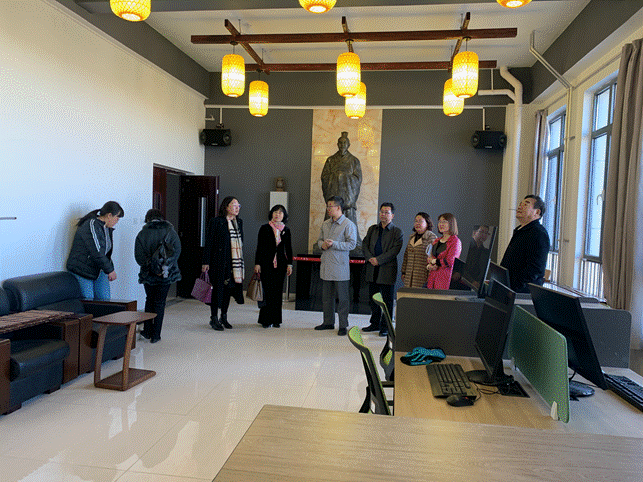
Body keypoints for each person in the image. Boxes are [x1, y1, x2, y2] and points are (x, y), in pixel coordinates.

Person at [134, 209, 181, 343]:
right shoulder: (170, 232)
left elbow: (139, 257)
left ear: (147, 219)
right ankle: (156, 335)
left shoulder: (142, 234)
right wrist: (164, 266)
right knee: (160, 303)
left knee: (149, 300)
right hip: (166, 273)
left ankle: (147, 331)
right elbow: (177, 252)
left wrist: (151, 266)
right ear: (161, 218)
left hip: (148, 274)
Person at [314, 196, 357, 336]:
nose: (328, 209)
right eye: (327, 206)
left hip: (340, 268)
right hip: (326, 266)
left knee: (343, 299)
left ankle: (343, 325)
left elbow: (352, 244)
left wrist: (335, 244)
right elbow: (319, 240)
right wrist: (322, 245)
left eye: (330, 206)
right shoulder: (325, 224)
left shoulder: (348, 224)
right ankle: (328, 322)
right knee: (327, 297)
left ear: (338, 208)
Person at [66, 201, 124, 300]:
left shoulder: (106, 228)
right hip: (83, 269)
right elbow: (97, 251)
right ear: (109, 215)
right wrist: (110, 270)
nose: (117, 221)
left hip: (98, 269)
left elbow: (106, 253)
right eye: (117, 218)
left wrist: (109, 268)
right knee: (89, 300)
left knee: (105, 300)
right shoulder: (91, 224)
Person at [202, 196, 245, 331]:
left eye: (238, 205)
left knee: (228, 290)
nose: (237, 208)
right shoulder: (216, 222)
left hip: (234, 263)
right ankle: (214, 318)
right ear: (226, 207)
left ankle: (224, 316)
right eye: (234, 205)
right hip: (218, 262)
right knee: (216, 290)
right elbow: (209, 242)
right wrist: (205, 261)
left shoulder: (239, 222)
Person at [362, 202, 403, 336]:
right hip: (372, 268)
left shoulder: (397, 232)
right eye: (382, 212)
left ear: (392, 215)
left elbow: (394, 251)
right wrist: (370, 258)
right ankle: (374, 323)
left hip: (387, 269)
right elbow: (365, 244)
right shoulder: (372, 229)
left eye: (387, 212)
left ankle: (386, 327)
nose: (383, 215)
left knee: (387, 301)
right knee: (373, 298)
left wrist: (378, 260)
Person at [500, 195, 550, 293]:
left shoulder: (539, 233)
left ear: (537, 212)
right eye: (520, 204)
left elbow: (535, 269)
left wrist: (514, 288)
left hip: (520, 292)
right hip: (508, 288)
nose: (520, 206)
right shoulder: (520, 230)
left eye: (526, 204)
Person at [254, 204, 293, 328]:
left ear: (284, 216)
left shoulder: (286, 230)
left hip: (281, 264)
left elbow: (289, 248)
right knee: (267, 291)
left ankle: (276, 319)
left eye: (280, 213)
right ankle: (265, 320)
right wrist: (257, 263)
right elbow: (259, 247)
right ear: (271, 213)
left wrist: (290, 264)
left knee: (277, 292)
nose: (277, 214)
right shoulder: (264, 228)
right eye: (275, 212)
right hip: (266, 263)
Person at [321, 132, 363, 231]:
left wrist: (344, 177)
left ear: (349, 145)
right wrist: (335, 177)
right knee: (329, 229)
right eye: (340, 143)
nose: (342, 145)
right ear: (337, 144)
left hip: (348, 199)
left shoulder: (354, 160)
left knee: (350, 229)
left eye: (344, 143)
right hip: (333, 198)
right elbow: (324, 177)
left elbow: (358, 179)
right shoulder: (330, 160)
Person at [401, 212, 437, 288]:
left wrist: (430, 276)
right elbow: (406, 256)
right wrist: (403, 272)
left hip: (422, 276)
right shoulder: (412, 237)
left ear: (427, 223)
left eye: (420, 221)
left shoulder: (431, 237)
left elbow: (433, 259)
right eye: (416, 221)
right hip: (409, 275)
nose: (417, 223)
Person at [426, 213, 462, 290]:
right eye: (439, 222)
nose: (441, 224)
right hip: (432, 277)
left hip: (444, 279)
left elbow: (450, 261)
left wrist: (434, 261)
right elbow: (430, 256)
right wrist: (430, 264)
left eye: (444, 222)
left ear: (451, 224)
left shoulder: (455, 241)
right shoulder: (437, 240)